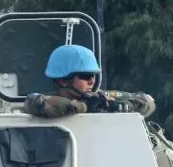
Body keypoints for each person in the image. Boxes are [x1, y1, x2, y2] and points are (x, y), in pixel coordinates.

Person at [22, 44, 155, 119]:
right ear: (63, 81)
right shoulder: (43, 101)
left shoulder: (100, 97)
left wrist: (121, 105)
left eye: (93, 75)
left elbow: (147, 101)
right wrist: (86, 107)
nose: (92, 81)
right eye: (85, 76)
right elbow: (36, 103)